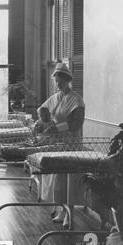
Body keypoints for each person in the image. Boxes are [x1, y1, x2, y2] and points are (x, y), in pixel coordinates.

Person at [37, 62, 85, 228]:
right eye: (56, 82)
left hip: (71, 142)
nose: (58, 84)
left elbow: (76, 123)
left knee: (69, 178)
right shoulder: (55, 98)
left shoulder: (76, 100)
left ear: (68, 80)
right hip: (57, 143)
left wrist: (56, 128)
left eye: (61, 81)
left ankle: (70, 212)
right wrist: (40, 123)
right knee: (58, 179)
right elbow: (43, 112)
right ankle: (61, 209)